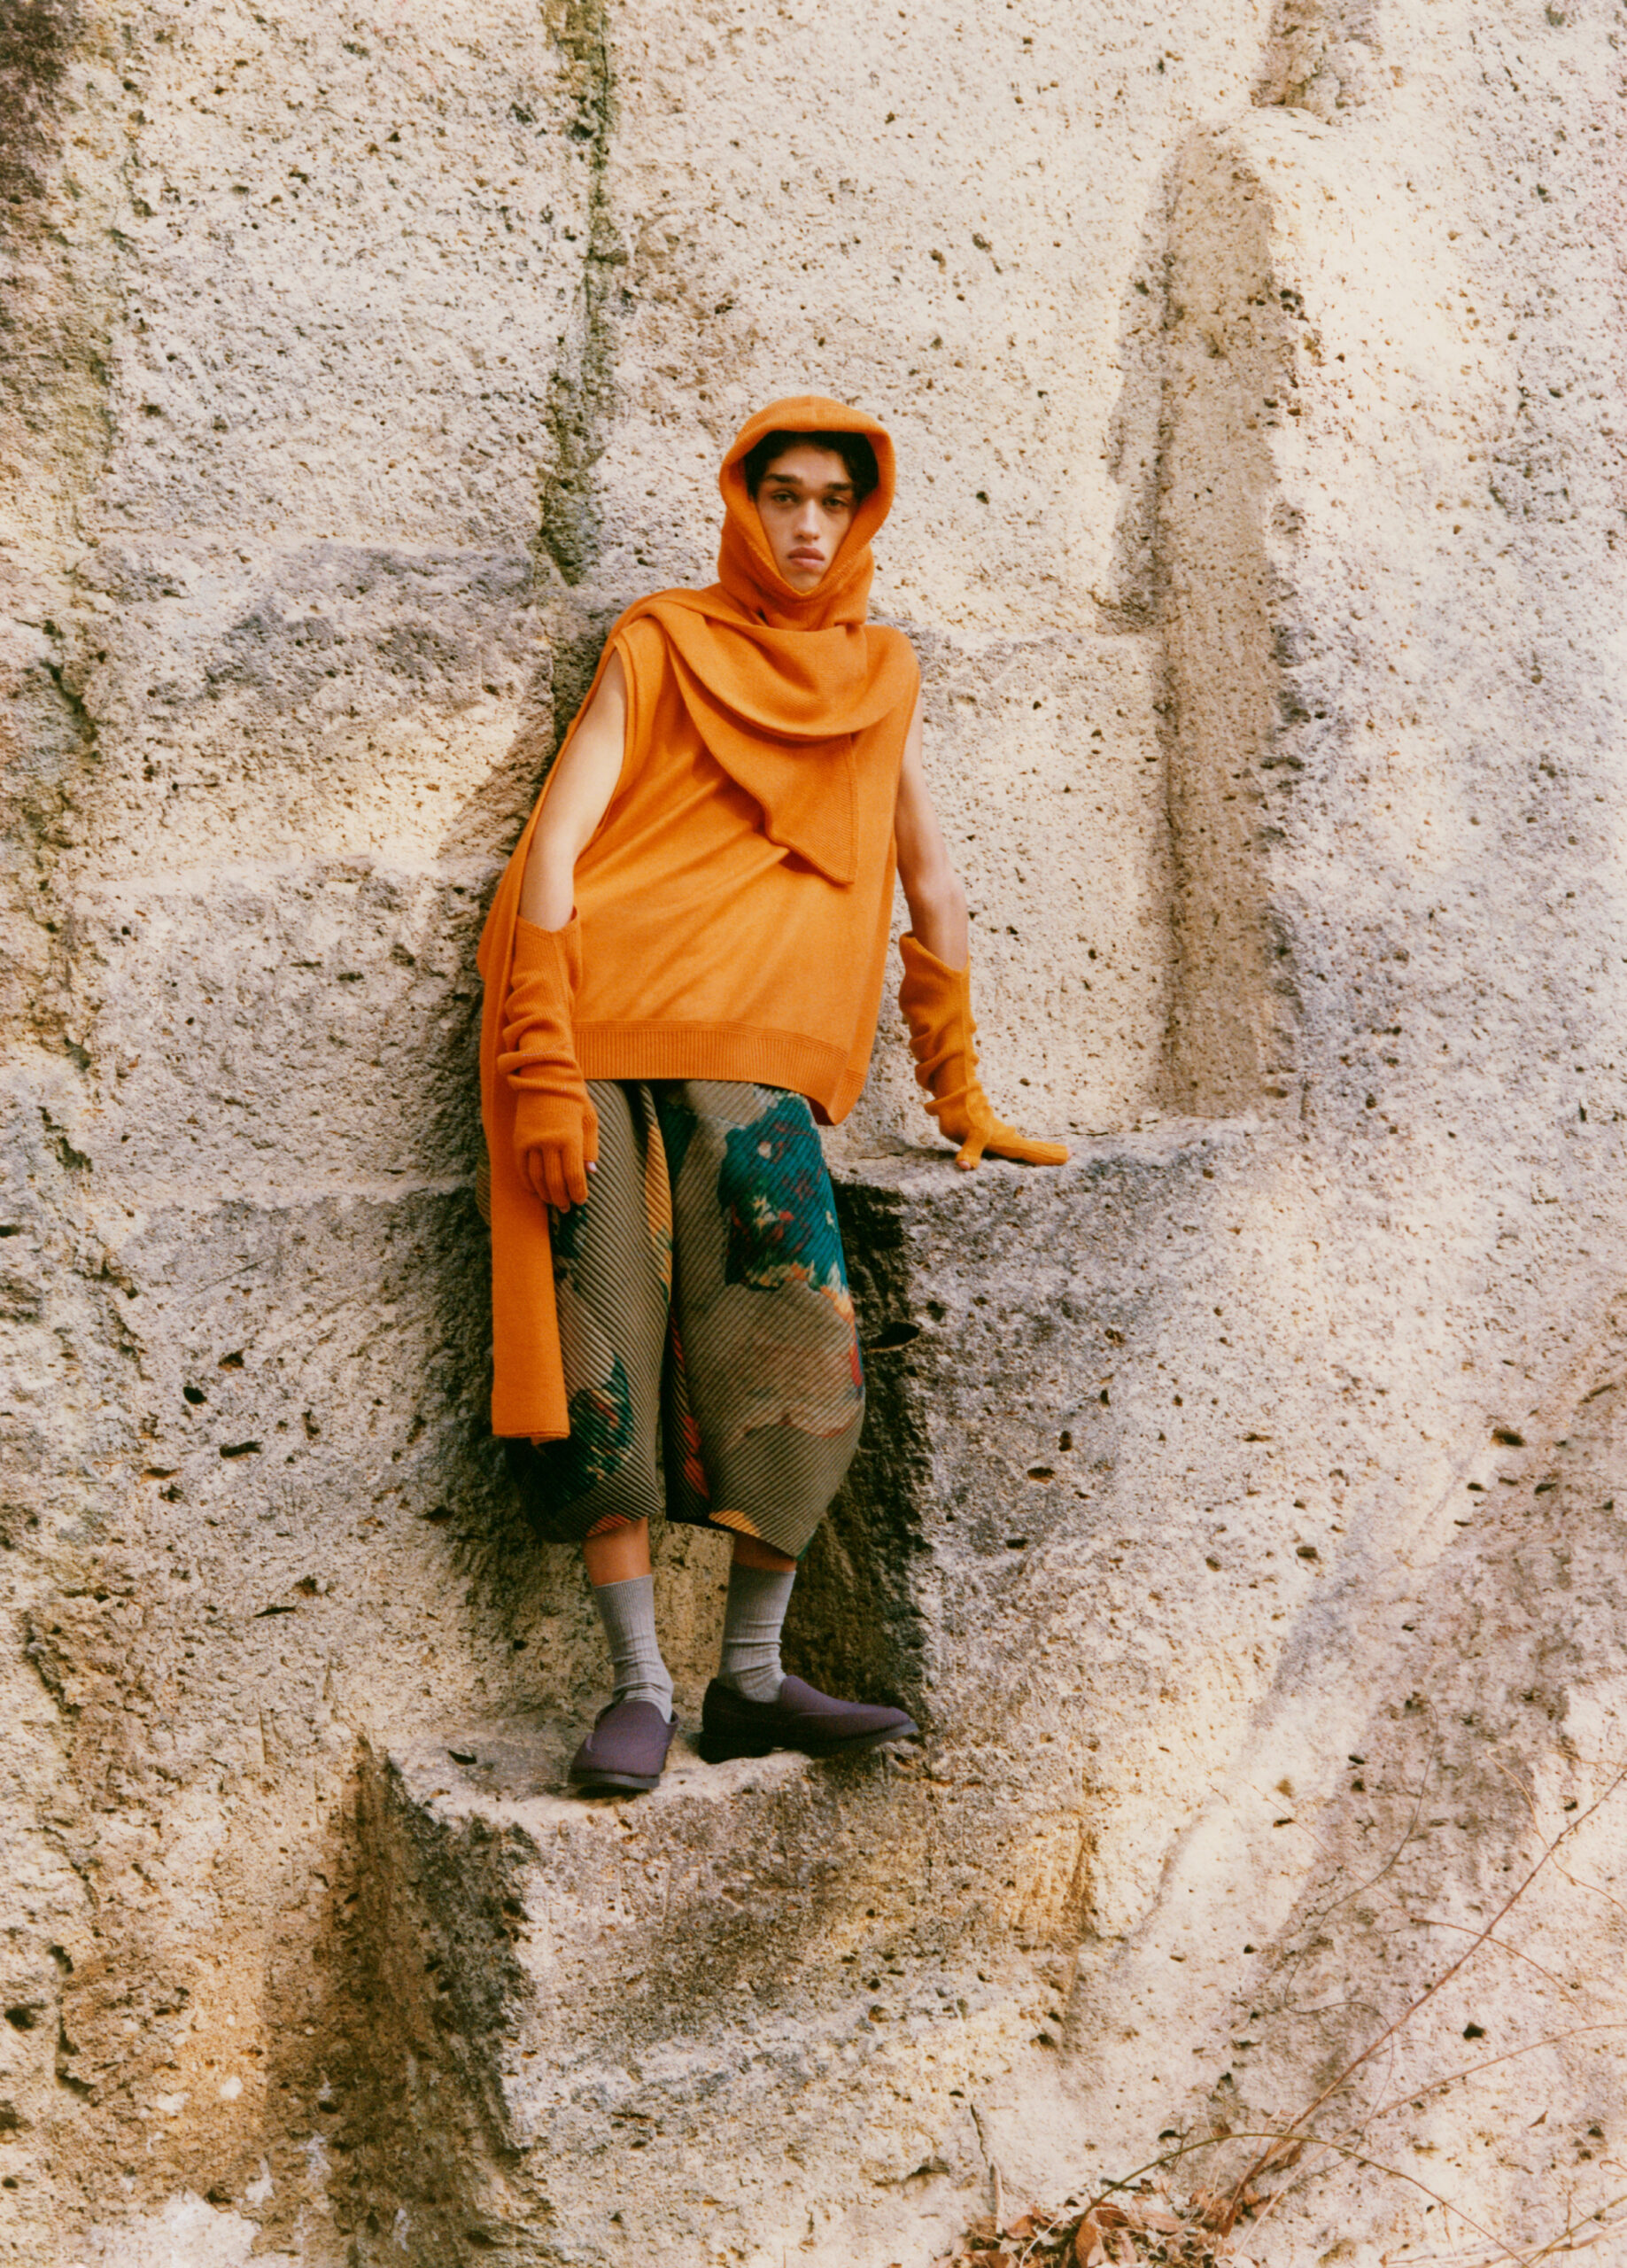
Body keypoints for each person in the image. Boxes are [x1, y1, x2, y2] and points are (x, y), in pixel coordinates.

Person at [477, 396, 1067, 1795]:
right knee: (603, 1363)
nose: (807, 526)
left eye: (833, 501)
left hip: (753, 1072)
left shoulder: (880, 674)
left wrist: (960, 1092)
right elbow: (555, 848)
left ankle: (748, 1680)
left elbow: (930, 878)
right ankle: (637, 1686)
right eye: (783, 496)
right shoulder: (659, 641)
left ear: (865, 515)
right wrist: (541, 1068)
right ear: (743, 504)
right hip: (599, 1045)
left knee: (801, 1346)